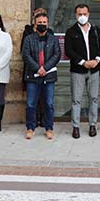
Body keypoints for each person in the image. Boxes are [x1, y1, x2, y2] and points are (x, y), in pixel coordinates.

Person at [64, 4, 100, 139]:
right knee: (76, 100)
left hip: (94, 70)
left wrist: (96, 60)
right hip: (78, 71)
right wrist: (83, 62)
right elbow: (69, 50)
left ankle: (92, 125)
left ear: (88, 14)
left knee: (94, 99)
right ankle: (76, 127)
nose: (82, 16)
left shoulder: (95, 30)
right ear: (76, 15)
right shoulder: (71, 31)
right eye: (79, 14)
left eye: (84, 14)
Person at [21, 11, 60, 140]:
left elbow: (57, 55)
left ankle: (49, 128)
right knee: (31, 104)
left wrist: (45, 68)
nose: (42, 24)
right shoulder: (28, 39)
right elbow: (26, 55)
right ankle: (30, 128)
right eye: (39, 23)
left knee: (49, 104)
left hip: (49, 76)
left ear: (48, 24)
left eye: (44, 22)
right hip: (33, 76)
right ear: (35, 24)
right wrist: (38, 68)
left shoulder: (53, 39)